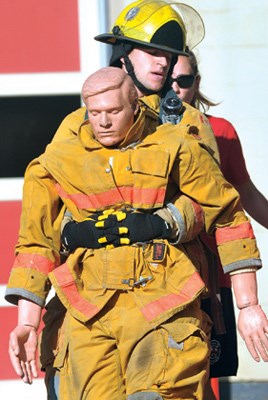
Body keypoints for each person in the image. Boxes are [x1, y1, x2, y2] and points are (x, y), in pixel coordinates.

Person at [5, 1, 268, 398]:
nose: (163, 63)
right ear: (123, 54)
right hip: (89, 301)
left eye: (170, 55)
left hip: (165, 291)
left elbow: (220, 208)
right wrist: (28, 317)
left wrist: (246, 305)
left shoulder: (187, 127)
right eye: (153, 51)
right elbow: (39, 229)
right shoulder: (75, 130)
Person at [170, 49, 268, 396]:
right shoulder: (135, 137)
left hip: (214, 276)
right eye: (167, 78)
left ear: (196, 83)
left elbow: (245, 194)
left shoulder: (220, 132)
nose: (174, 87)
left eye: (183, 80)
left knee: (206, 376)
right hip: (159, 276)